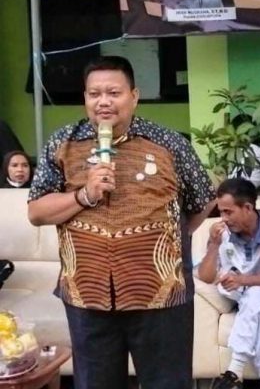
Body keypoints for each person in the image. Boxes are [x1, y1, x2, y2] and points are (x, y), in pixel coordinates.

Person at [27, 56, 214, 389]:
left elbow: (202, 201)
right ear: (85, 98)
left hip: (160, 296)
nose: (103, 102)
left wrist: (168, 242)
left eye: (113, 93)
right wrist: (84, 195)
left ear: (134, 96)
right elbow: (36, 212)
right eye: (94, 94)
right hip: (87, 295)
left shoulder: (169, 142)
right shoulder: (62, 143)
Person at [198, 178, 260, 389]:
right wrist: (214, 245)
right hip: (248, 298)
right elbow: (206, 277)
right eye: (221, 212)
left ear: (247, 208)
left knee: (255, 294)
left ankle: (235, 368)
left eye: (228, 212)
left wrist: (241, 280)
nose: (224, 218)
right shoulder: (223, 232)